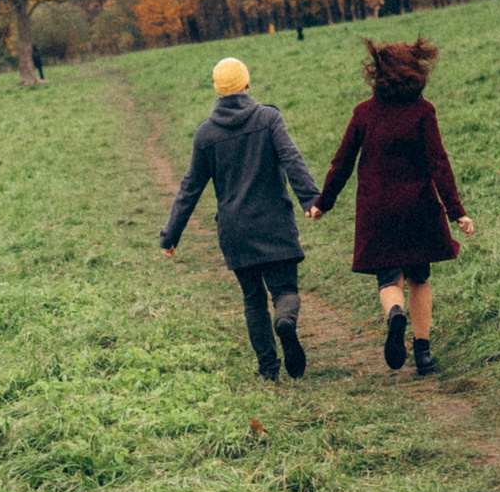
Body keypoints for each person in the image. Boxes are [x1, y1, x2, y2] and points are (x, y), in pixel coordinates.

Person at [309, 37, 475, 377]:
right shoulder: (423, 112)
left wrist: (323, 203)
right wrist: (457, 211)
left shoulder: (363, 113)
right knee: (419, 278)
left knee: (389, 279)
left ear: (378, 74)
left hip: (377, 210)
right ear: (415, 71)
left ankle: (395, 314)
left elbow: (341, 163)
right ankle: (423, 353)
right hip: (418, 208)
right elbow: (439, 163)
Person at [160, 56, 323, 382]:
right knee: (284, 290)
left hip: (236, 231)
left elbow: (190, 187)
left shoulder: (205, 134)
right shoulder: (268, 118)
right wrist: (310, 199)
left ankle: (268, 370)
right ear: (246, 84)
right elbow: (291, 157)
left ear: (218, 90)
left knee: (253, 301)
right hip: (275, 223)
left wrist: (170, 234)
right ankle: (285, 321)